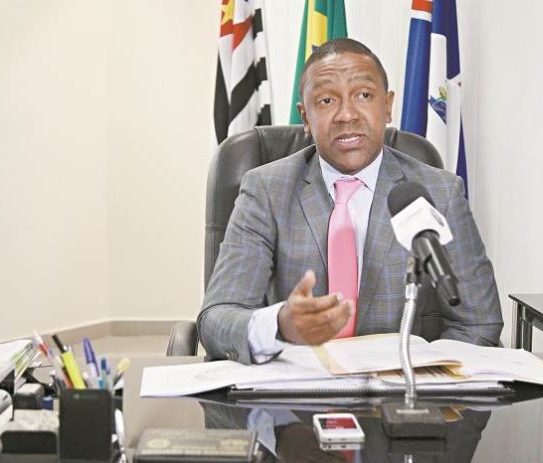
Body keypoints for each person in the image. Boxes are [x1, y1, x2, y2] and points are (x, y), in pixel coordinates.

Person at [198, 38, 502, 364]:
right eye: (327, 100)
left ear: (387, 106)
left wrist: (427, 375)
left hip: (401, 386)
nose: (346, 114)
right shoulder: (266, 190)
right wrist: (280, 325)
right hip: (298, 385)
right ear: (305, 116)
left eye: (364, 95)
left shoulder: (440, 193)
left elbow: (478, 323)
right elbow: (217, 318)